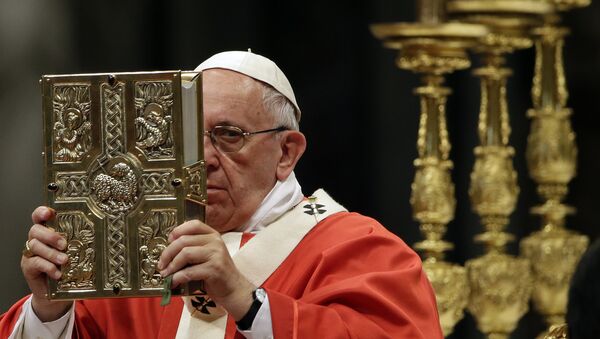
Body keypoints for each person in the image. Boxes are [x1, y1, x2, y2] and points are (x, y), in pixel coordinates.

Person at [0, 51, 443, 339]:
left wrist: (244, 299)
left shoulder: (358, 249)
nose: (203, 159)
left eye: (228, 135)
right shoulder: (134, 259)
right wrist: (51, 310)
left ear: (286, 151)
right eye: (187, 138)